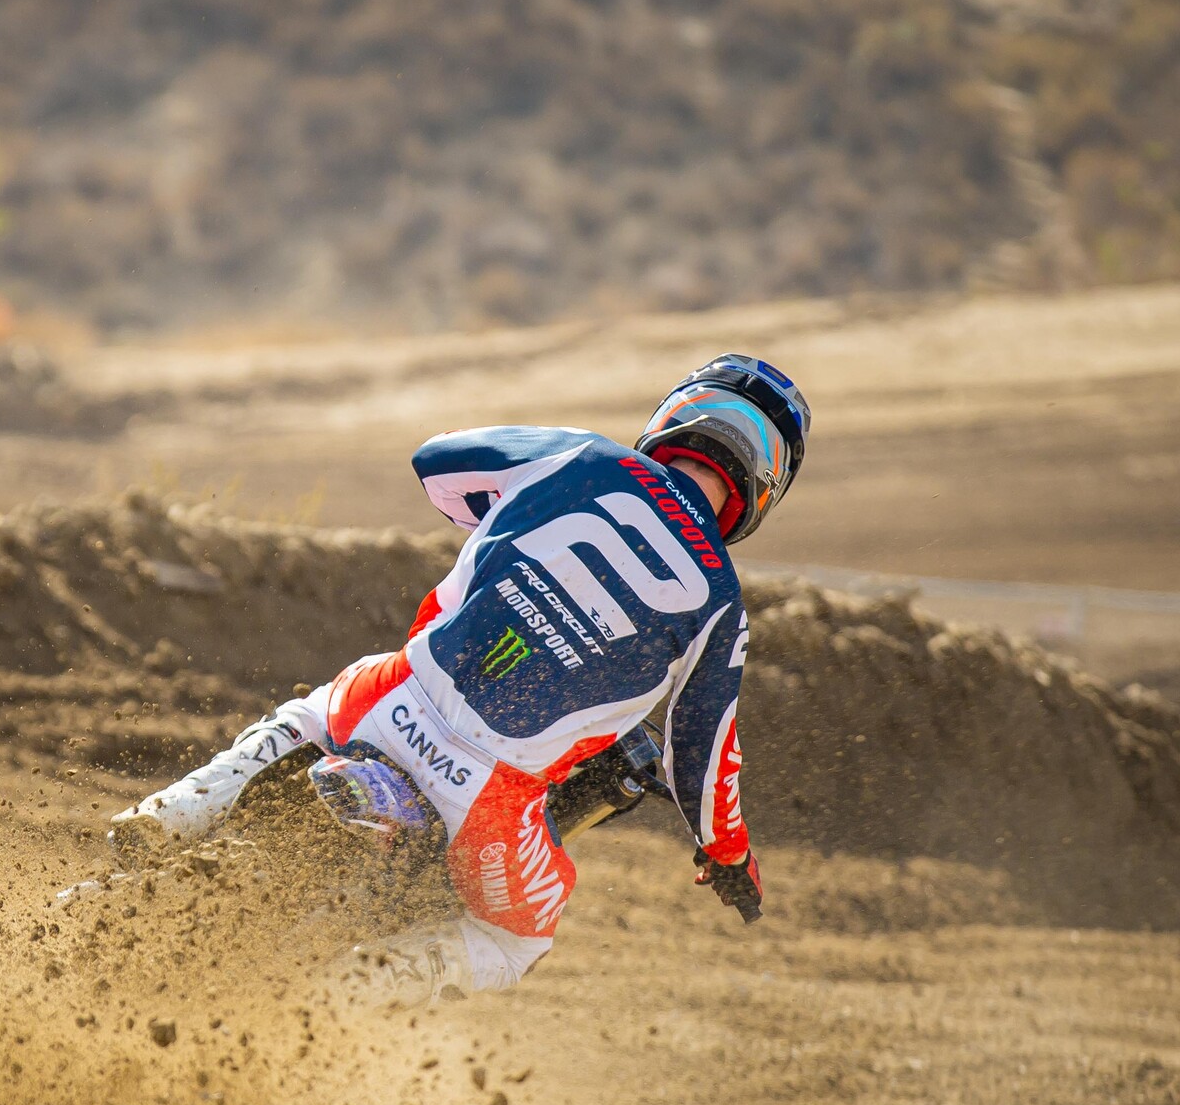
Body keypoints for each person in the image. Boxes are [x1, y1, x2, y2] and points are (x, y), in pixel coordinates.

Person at [108, 354, 810, 1005]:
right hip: (486, 800)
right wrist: (729, 857)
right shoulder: (721, 605)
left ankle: (172, 813)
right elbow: (704, 758)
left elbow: (437, 462)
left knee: (314, 715)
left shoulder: (581, 457)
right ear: (764, 485)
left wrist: (507, 518)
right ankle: (337, 997)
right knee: (517, 940)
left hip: (391, 702)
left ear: (675, 415)